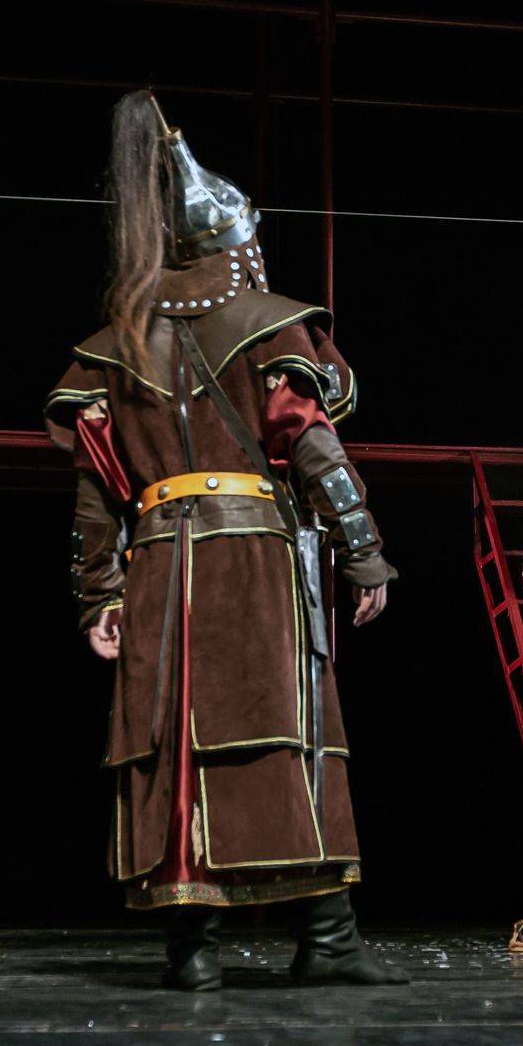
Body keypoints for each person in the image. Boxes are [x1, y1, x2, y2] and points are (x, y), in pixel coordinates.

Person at [45, 91, 405, 990]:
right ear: (235, 244)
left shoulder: (116, 342)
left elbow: (96, 491)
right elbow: (313, 444)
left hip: (161, 564)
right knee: (288, 729)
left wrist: (99, 594)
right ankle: (327, 941)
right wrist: (363, 550)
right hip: (253, 563)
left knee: (176, 741)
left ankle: (192, 951)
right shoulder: (269, 324)